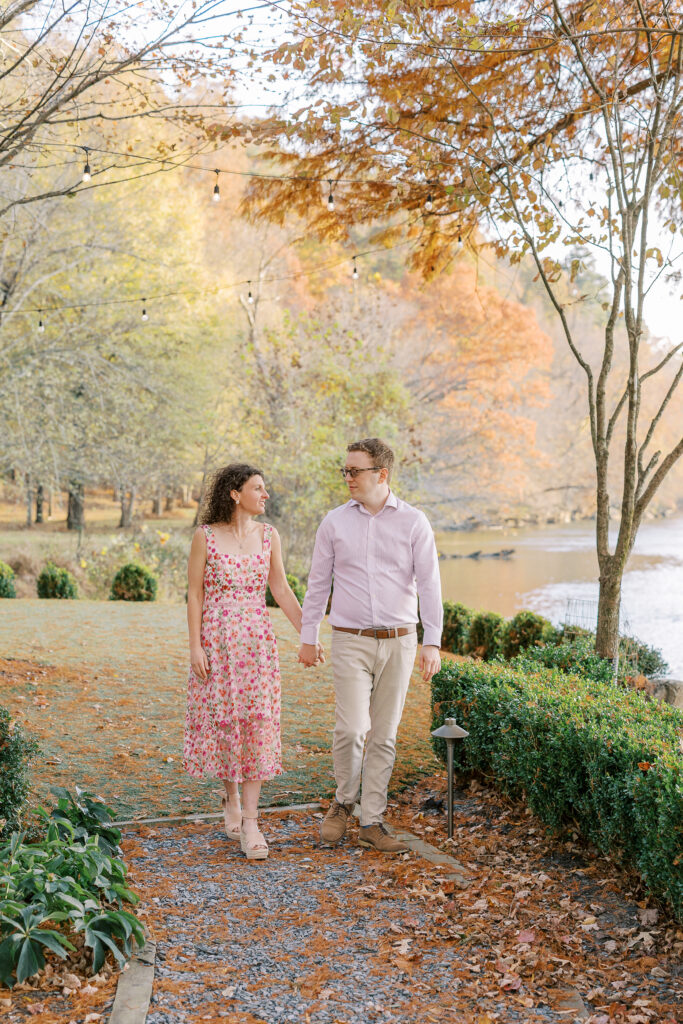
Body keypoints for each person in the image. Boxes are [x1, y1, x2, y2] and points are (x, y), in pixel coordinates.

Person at [299, 438, 443, 853]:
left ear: (381, 475)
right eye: (344, 470)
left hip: (400, 641)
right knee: (351, 728)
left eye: (355, 471)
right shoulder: (334, 522)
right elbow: (317, 583)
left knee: (384, 735)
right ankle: (344, 801)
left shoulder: (414, 522)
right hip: (350, 640)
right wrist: (309, 636)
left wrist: (432, 641)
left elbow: (430, 585)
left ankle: (372, 820)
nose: (347, 478)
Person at [183, 463, 323, 860]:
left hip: (257, 644)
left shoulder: (269, 536)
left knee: (257, 723)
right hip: (217, 640)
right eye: (258, 488)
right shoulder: (204, 537)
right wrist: (195, 646)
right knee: (226, 722)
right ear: (234, 493)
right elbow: (194, 594)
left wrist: (307, 635)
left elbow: (280, 588)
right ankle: (230, 799)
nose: (265, 495)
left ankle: (251, 822)